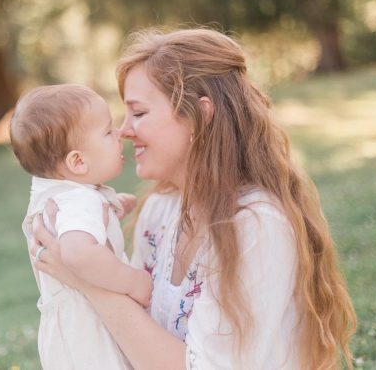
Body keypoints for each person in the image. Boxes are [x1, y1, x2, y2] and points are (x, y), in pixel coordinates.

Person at [29, 28, 357, 369]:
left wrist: (89, 283)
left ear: (200, 115)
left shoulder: (256, 225)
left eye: (138, 113)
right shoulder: (160, 211)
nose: (124, 131)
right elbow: (133, 338)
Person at [9, 84, 152, 370]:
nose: (120, 134)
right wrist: (132, 282)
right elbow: (77, 252)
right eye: (108, 132)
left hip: (69, 332)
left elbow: (75, 227)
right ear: (77, 161)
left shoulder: (59, 193)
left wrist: (110, 209)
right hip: (90, 331)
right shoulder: (78, 201)